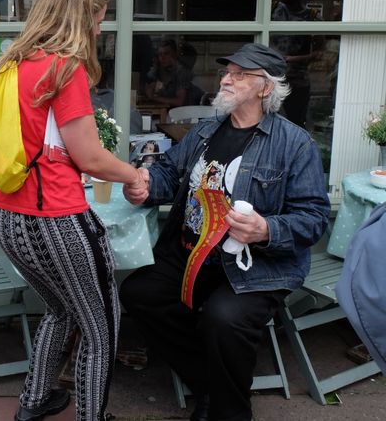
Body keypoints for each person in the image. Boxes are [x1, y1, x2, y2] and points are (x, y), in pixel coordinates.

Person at [119, 43, 330, 421]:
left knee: (224, 318)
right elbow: (169, 171)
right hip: (189, 254)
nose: (226, 79)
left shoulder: (295, 144)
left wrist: (267, 228)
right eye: (227, 72)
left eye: (239, 74)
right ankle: (211, 384)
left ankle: (230, 410)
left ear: (266, 87)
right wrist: (146, 184)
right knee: (139, 293)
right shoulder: (205, 131)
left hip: (255, 267)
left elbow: (313, 217)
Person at [0, 0, 148, 421]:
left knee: (59, 309)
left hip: (9, 216)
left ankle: (34, 402)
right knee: (103, 326)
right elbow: (90, 157)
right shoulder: (65, 67)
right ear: (84, 18)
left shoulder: (14, 64)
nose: (101, 28)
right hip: (58, 218)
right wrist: (133, 175)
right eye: (100, 17)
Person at [271, 0, 323, 128]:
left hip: (297, 81)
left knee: (295, 124)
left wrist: (291, 59)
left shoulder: (312, 17)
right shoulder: (274, 12)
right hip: (272, 78)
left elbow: (320, 53)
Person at [143, 40, 194, 107]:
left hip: (186, 113)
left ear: (175, 55)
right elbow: (147, 82)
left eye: (166, 54)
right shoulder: (159, 69)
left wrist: (154, 98)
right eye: (160, 54)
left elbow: (179, 101)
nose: (162, 58)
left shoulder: (181, 72)